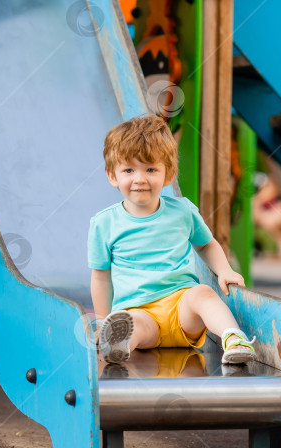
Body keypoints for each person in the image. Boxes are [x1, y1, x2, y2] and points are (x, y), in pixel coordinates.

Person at [88, 114, 257, 365]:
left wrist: (224, 270)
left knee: (203, 293)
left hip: (181, 309)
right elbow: (101, 277)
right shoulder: (104, 223)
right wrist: (103, 321)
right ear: (112, 175)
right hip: (140, 312)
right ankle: (118, 341)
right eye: (128, 170)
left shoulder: (183, 211)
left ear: (168, 174)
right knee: (132, 324)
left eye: (151, 169)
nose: (140, 179)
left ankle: (234, 338)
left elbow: (206, 244)